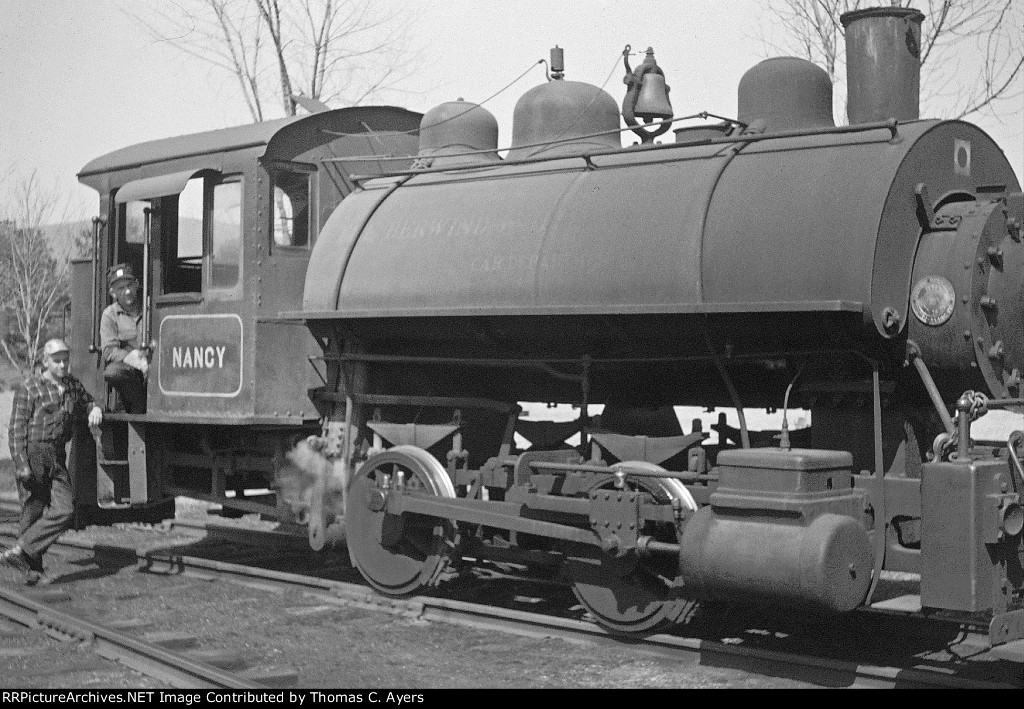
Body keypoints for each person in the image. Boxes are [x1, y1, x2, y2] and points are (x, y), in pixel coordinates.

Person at [1, 339, 103, 585]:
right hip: (34, 452)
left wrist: (94, 408)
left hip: (57, 454)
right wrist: (21, 464)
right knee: (34, 510)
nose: (62, 365)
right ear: (45, 361)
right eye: (56, 361)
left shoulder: (71, 385)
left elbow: (88, 400)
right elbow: (16, 429)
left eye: (65, 360)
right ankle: (33, 571)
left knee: (66, 509)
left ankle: (23, 550)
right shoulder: (31, 387)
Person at [100, 263, 148, 413]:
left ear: (137, 285)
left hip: (153, 367)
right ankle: (138, 406)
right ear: (112, 293)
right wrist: (131, 357)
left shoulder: (149, 307)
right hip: (132, 373)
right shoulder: (109, 315)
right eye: (121, 288)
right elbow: (108, 350)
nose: (127, 291)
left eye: (129, 285)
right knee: (112, 372)